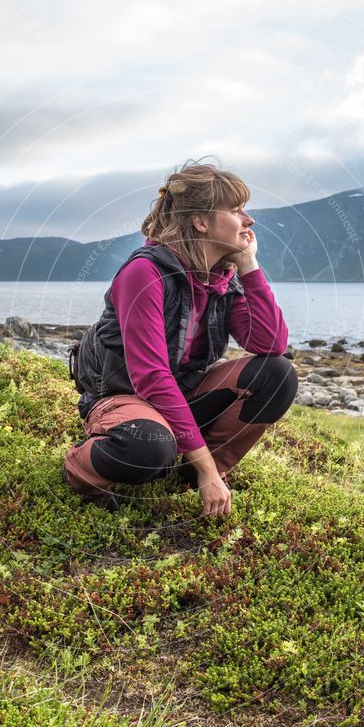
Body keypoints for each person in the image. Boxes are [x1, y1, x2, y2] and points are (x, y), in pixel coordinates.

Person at [62, 160, 298, 517]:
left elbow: (270, 345)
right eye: (235, 210)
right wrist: (203, 462)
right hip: (124, 395)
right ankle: (81, 470)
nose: (248, 220)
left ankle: (197, 473)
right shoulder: (144, 273)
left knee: (278, 373)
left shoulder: (221, 276)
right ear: (201, 222)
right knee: (148, 448)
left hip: (183, 392)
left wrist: (249, 266)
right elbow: (152, 378)